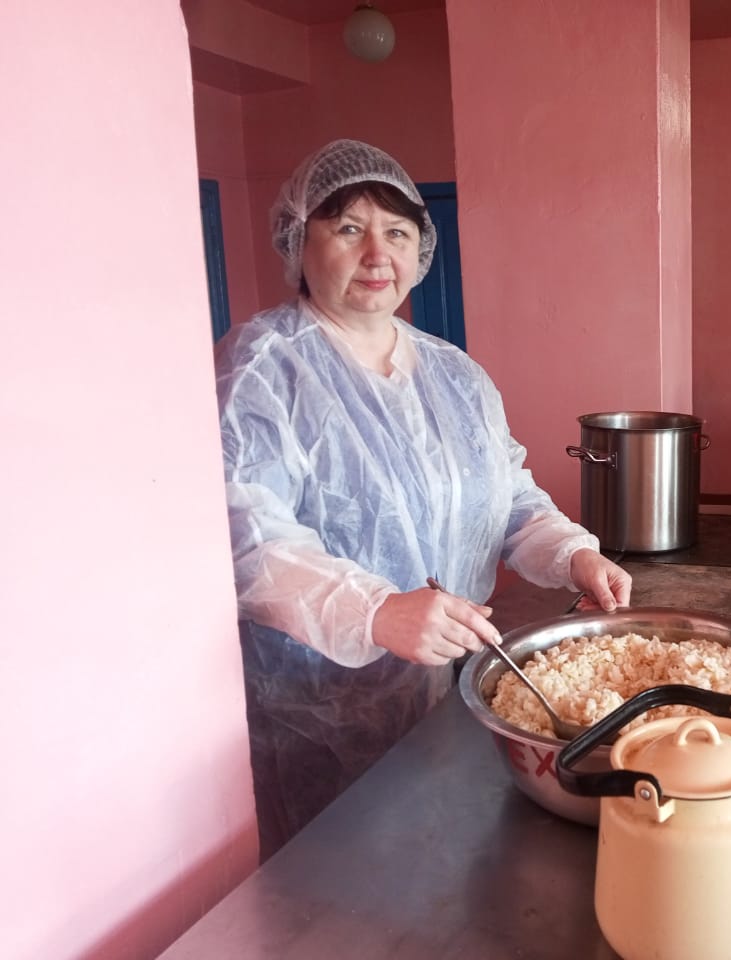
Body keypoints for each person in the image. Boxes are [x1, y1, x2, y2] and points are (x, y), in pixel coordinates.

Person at [214, 138, 632, 860]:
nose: (378, 254)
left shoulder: (454, 373)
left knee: (442, 869)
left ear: (421, 248)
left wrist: (573, 555)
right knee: (341, 883)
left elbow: (507, 496)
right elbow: (248, 541)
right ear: (299, 242)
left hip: (450, 691)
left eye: (398, 233)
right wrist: (375, 611)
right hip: (322, 710)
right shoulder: (261, 372)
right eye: (349, 228)